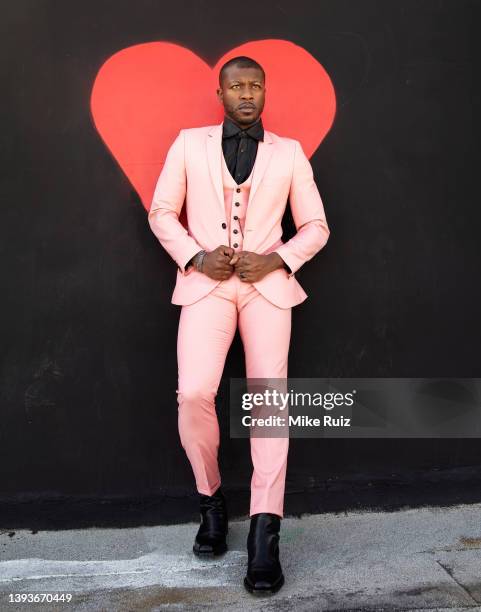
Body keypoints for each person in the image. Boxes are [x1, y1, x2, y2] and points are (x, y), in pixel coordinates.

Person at [148, 55, 330, 595]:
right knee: (194, 393)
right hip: (205, 285)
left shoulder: (290, 153)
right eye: (237, 86)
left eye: (255, 85)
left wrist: (277, 259)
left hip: (267, 290)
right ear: (221, 93)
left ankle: (264, 539)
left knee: (269, 402)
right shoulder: (188, 143)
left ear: (265, 91)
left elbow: (317, 226)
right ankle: (211, 499)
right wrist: (196, 256)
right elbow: (161, 212)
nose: (246, 93)